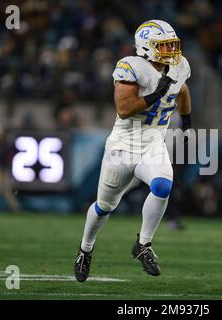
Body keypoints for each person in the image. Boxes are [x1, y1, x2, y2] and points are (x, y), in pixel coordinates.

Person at [74, 20, 192, 281]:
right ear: (147, 47)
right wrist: (155, 94)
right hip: (123, 146)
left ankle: (143, 244)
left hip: (153, 143)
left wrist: (187, 122)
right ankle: (85, 249)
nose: (171, 50)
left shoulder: (179, 65)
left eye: (172, 43)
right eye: (164, 45)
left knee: (162, 186)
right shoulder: (130, 66)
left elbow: (181, 89)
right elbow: (124, 109)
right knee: (105, 205)